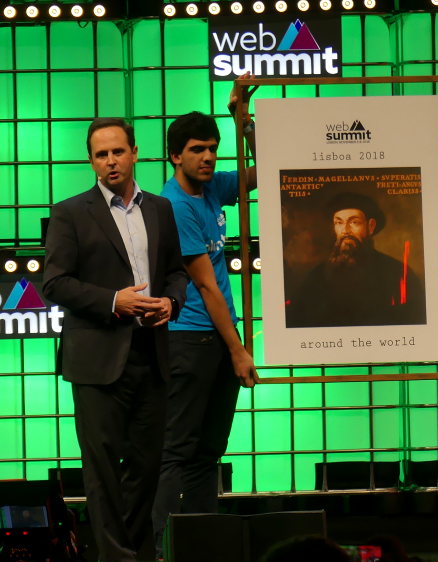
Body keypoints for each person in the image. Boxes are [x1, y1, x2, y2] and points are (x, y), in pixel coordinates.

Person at [42, 117, 187, 561]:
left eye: (117, 151)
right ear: (91, 161)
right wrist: (112, 301)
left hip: (151, 353)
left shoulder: (160, 208)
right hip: (97, 360)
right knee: (103, 474)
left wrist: (171, 302)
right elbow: (54, 283)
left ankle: (138, 555)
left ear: (134, 153)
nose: (110, 161)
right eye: (101, 154)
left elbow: (177, 271)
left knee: (146, 469)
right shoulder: (70, 212)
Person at [151, 78, 262, 556]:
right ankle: (156, 547)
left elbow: (265, 170)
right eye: (198, 149)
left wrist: (244, 121)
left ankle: (198, 546)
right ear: (175, 155)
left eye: (213, 148)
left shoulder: (211, 187)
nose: (209, 157)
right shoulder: (174, 204)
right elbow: (206, 285)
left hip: (216, 337)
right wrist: (238, 350)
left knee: (208, 453)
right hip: (189, 338)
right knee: (177, 450)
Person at [285, 190, 426, 328]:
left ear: (370, 226)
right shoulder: (317, 276)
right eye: (339, 223)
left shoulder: (398, 273)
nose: (345, 230)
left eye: (354, 222)